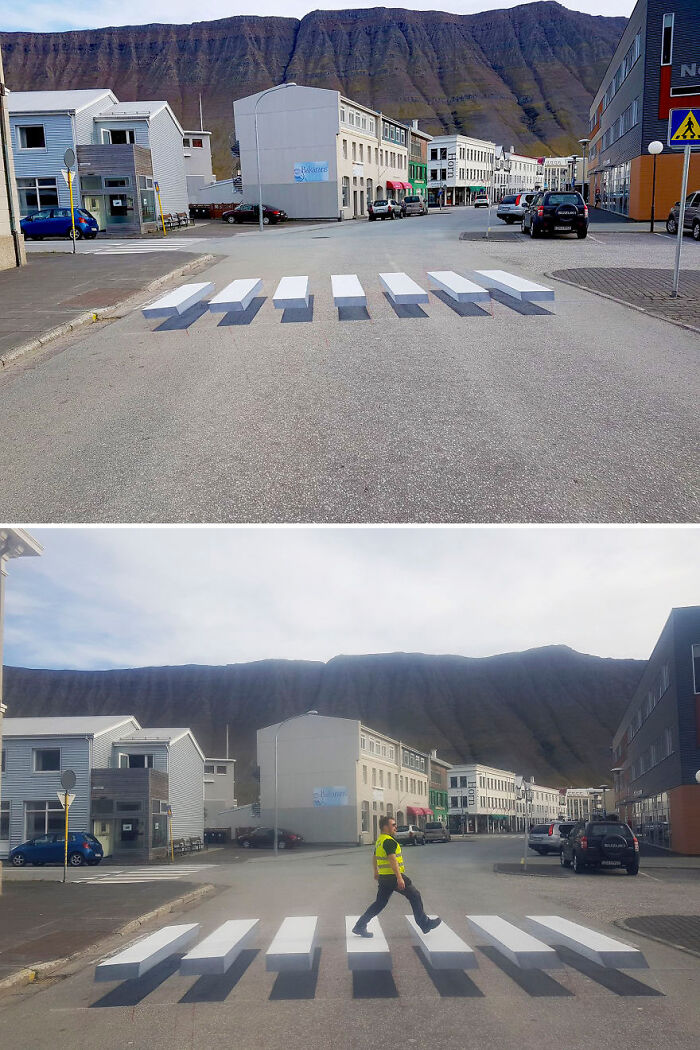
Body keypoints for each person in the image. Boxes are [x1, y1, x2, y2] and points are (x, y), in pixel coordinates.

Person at [352, 815, 442, 937]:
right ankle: (424, 924)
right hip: (393, 877)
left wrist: (376, 871)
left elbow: (374, 856)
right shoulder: (389, 841)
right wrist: (399, 878)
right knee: (415, 895)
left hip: (384, 877)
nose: (396, 827)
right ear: (385, 827)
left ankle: (360, 926)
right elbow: (392, 859)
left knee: (380, 903)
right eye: (393, 825)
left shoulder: (380, 840)